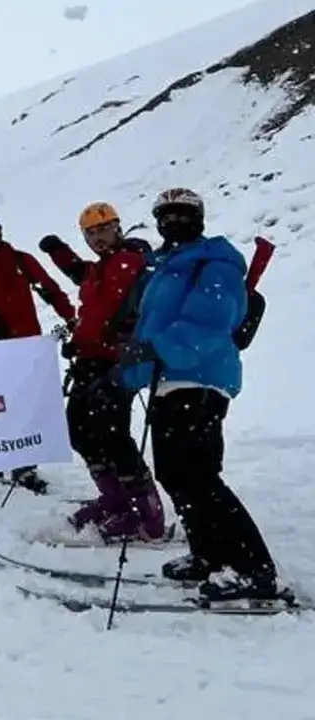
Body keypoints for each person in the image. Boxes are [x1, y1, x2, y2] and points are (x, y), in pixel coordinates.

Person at [115, 188, 285, 603]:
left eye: (182, 214)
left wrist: (155, 348)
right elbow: (152, 325)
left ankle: (254, 569)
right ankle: (209, 554)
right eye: (165, 216)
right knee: (175, 475)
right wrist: (131, 370)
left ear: (199, 218)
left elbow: (211, 320)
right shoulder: (165, 267)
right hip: (169, 382)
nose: (173, 222)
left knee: (198, 476)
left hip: (201, 380)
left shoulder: (216, 262)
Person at [40, 203, 164, 542]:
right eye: (90, 233)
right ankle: (116, 501)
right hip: (91, 360)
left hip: (116, 362)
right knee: (81, 430)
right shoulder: (103, 265)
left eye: (104, 229)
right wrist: (59, 252)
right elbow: (85, 282)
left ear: (118, 228)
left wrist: (86, 340)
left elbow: (108, 310)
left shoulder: (128, 261)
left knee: (112, 435)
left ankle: (147, 515)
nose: (97, 238)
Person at [0, 211, 76, 493]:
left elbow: (50, 290)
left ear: (0, 232)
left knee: (26, 407)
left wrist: (70, 317)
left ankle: (24, 467)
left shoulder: (21, 260)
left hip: (28, 347)